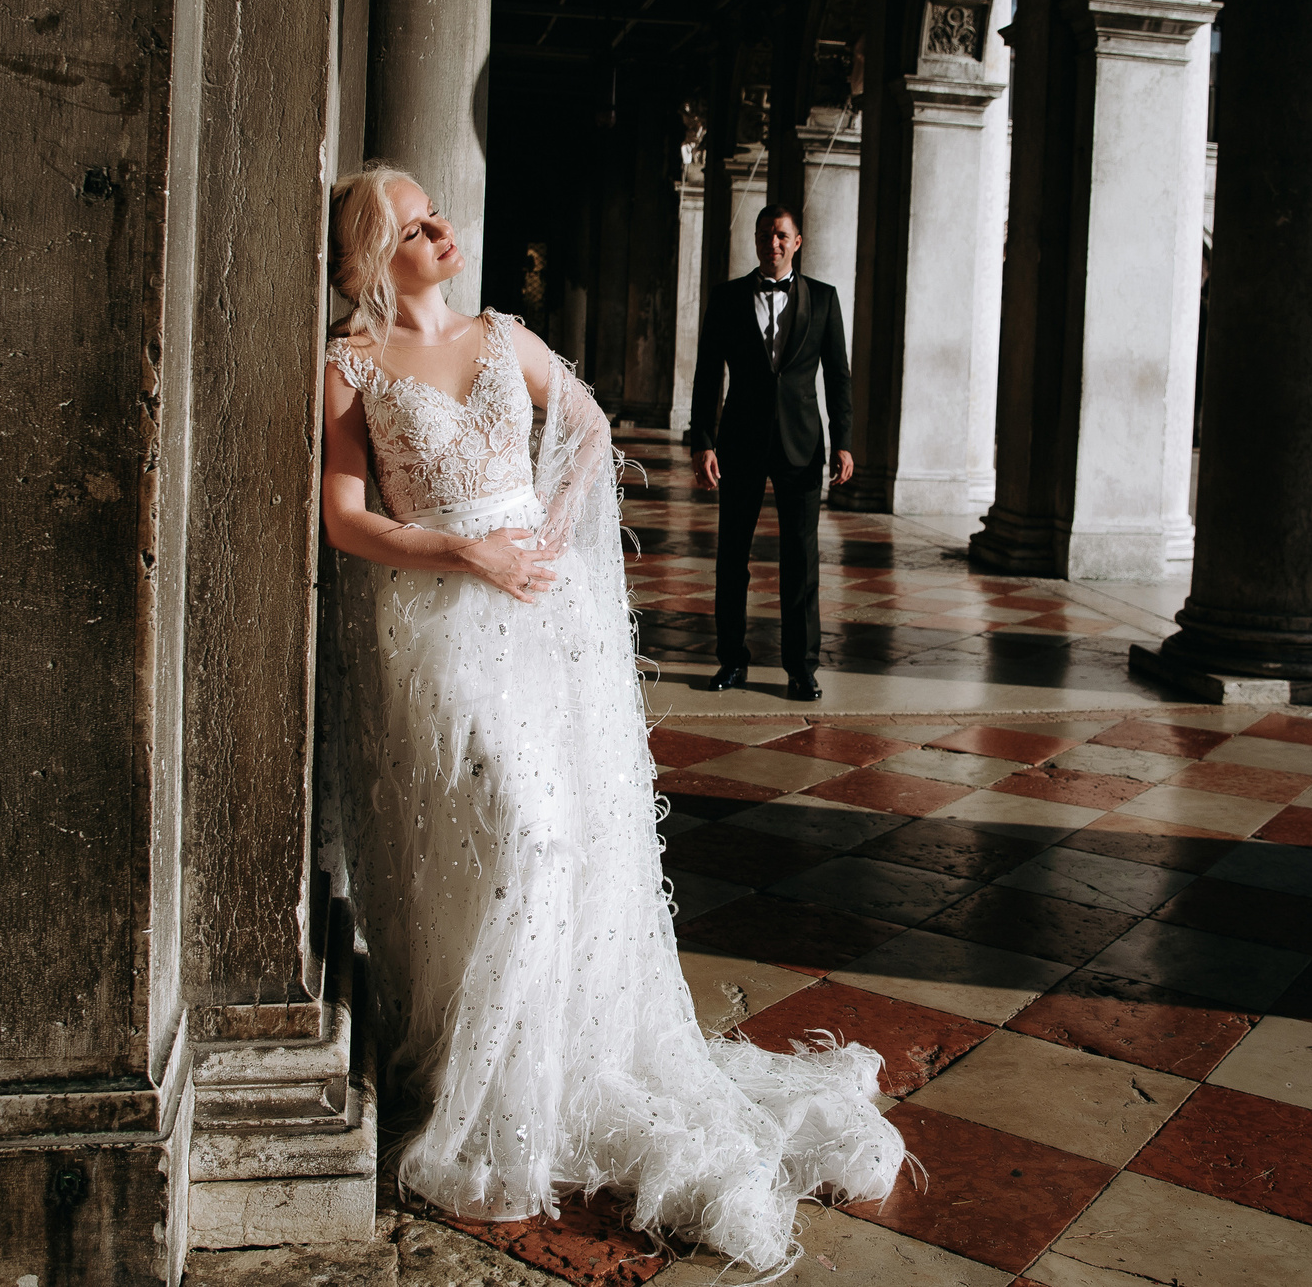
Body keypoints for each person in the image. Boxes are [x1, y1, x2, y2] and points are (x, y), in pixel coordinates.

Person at [315, 164, 902, 1278]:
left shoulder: (503, 335)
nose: (443, 230)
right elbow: (344, 518)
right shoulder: (350, 365)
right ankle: (491, 1091)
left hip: (542, 617)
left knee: (560, 838)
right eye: (416, 223)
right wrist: (465, 550)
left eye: (439, 213)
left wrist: (545, 538)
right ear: (376, 253)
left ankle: (543, 1077)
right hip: (441, 627)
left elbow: (587, 430)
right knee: (521, 840)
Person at [688, 204, 853, 702]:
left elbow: (838, 376)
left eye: (781, 235)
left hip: (802, 445)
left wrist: (844, 440)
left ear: (797, 242)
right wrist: (703, 440)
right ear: (756, 240)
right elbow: (707, 373)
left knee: (801, 559)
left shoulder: (823, 298)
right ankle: (731, 659)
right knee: (732, 555)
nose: (772, 243)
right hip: (739, 443)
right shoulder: (727, 298)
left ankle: (801, 668)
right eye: (764, 235)